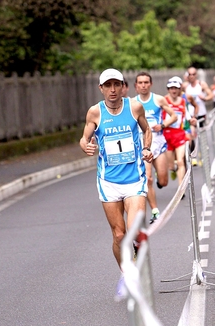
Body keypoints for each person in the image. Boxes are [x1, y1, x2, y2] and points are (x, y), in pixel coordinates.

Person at [79, 68, 153, 301]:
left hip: (134, 180)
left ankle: (136, 262)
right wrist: (86, 146)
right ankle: (126, 274)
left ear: (123, 86)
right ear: (101, 88)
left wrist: (147, 148)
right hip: (108, 182)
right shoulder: (95, 112)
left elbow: (147, 129)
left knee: (132, 231)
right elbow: (84, 138)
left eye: (116, 85)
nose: (112, 90)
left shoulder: (134, 107)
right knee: (119, 236)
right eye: (107, 85)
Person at [134, 72, 177, 224]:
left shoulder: (159, 99)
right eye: (140, 83)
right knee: (148, 178)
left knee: (163, 181)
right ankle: (155, 211)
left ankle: (162, 177)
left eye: (146, 82)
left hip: (158, 141)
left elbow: (174, 116)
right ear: (136, 86)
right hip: (143, 143)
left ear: (150, 84)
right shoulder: (132, 103)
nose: (143, 85)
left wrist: (163, 125)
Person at [162, 77, 188, 198]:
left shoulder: (183, 101)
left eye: (176, 88)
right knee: (171, 166)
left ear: (179, 89)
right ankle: (173, 169)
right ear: (168, 89)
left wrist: (189, 125)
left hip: (179, 135)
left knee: (181, 160)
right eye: (171, 88)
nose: (174, 90)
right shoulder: (163, 100)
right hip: (167, 135)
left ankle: (180, 189)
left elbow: (186, 117)